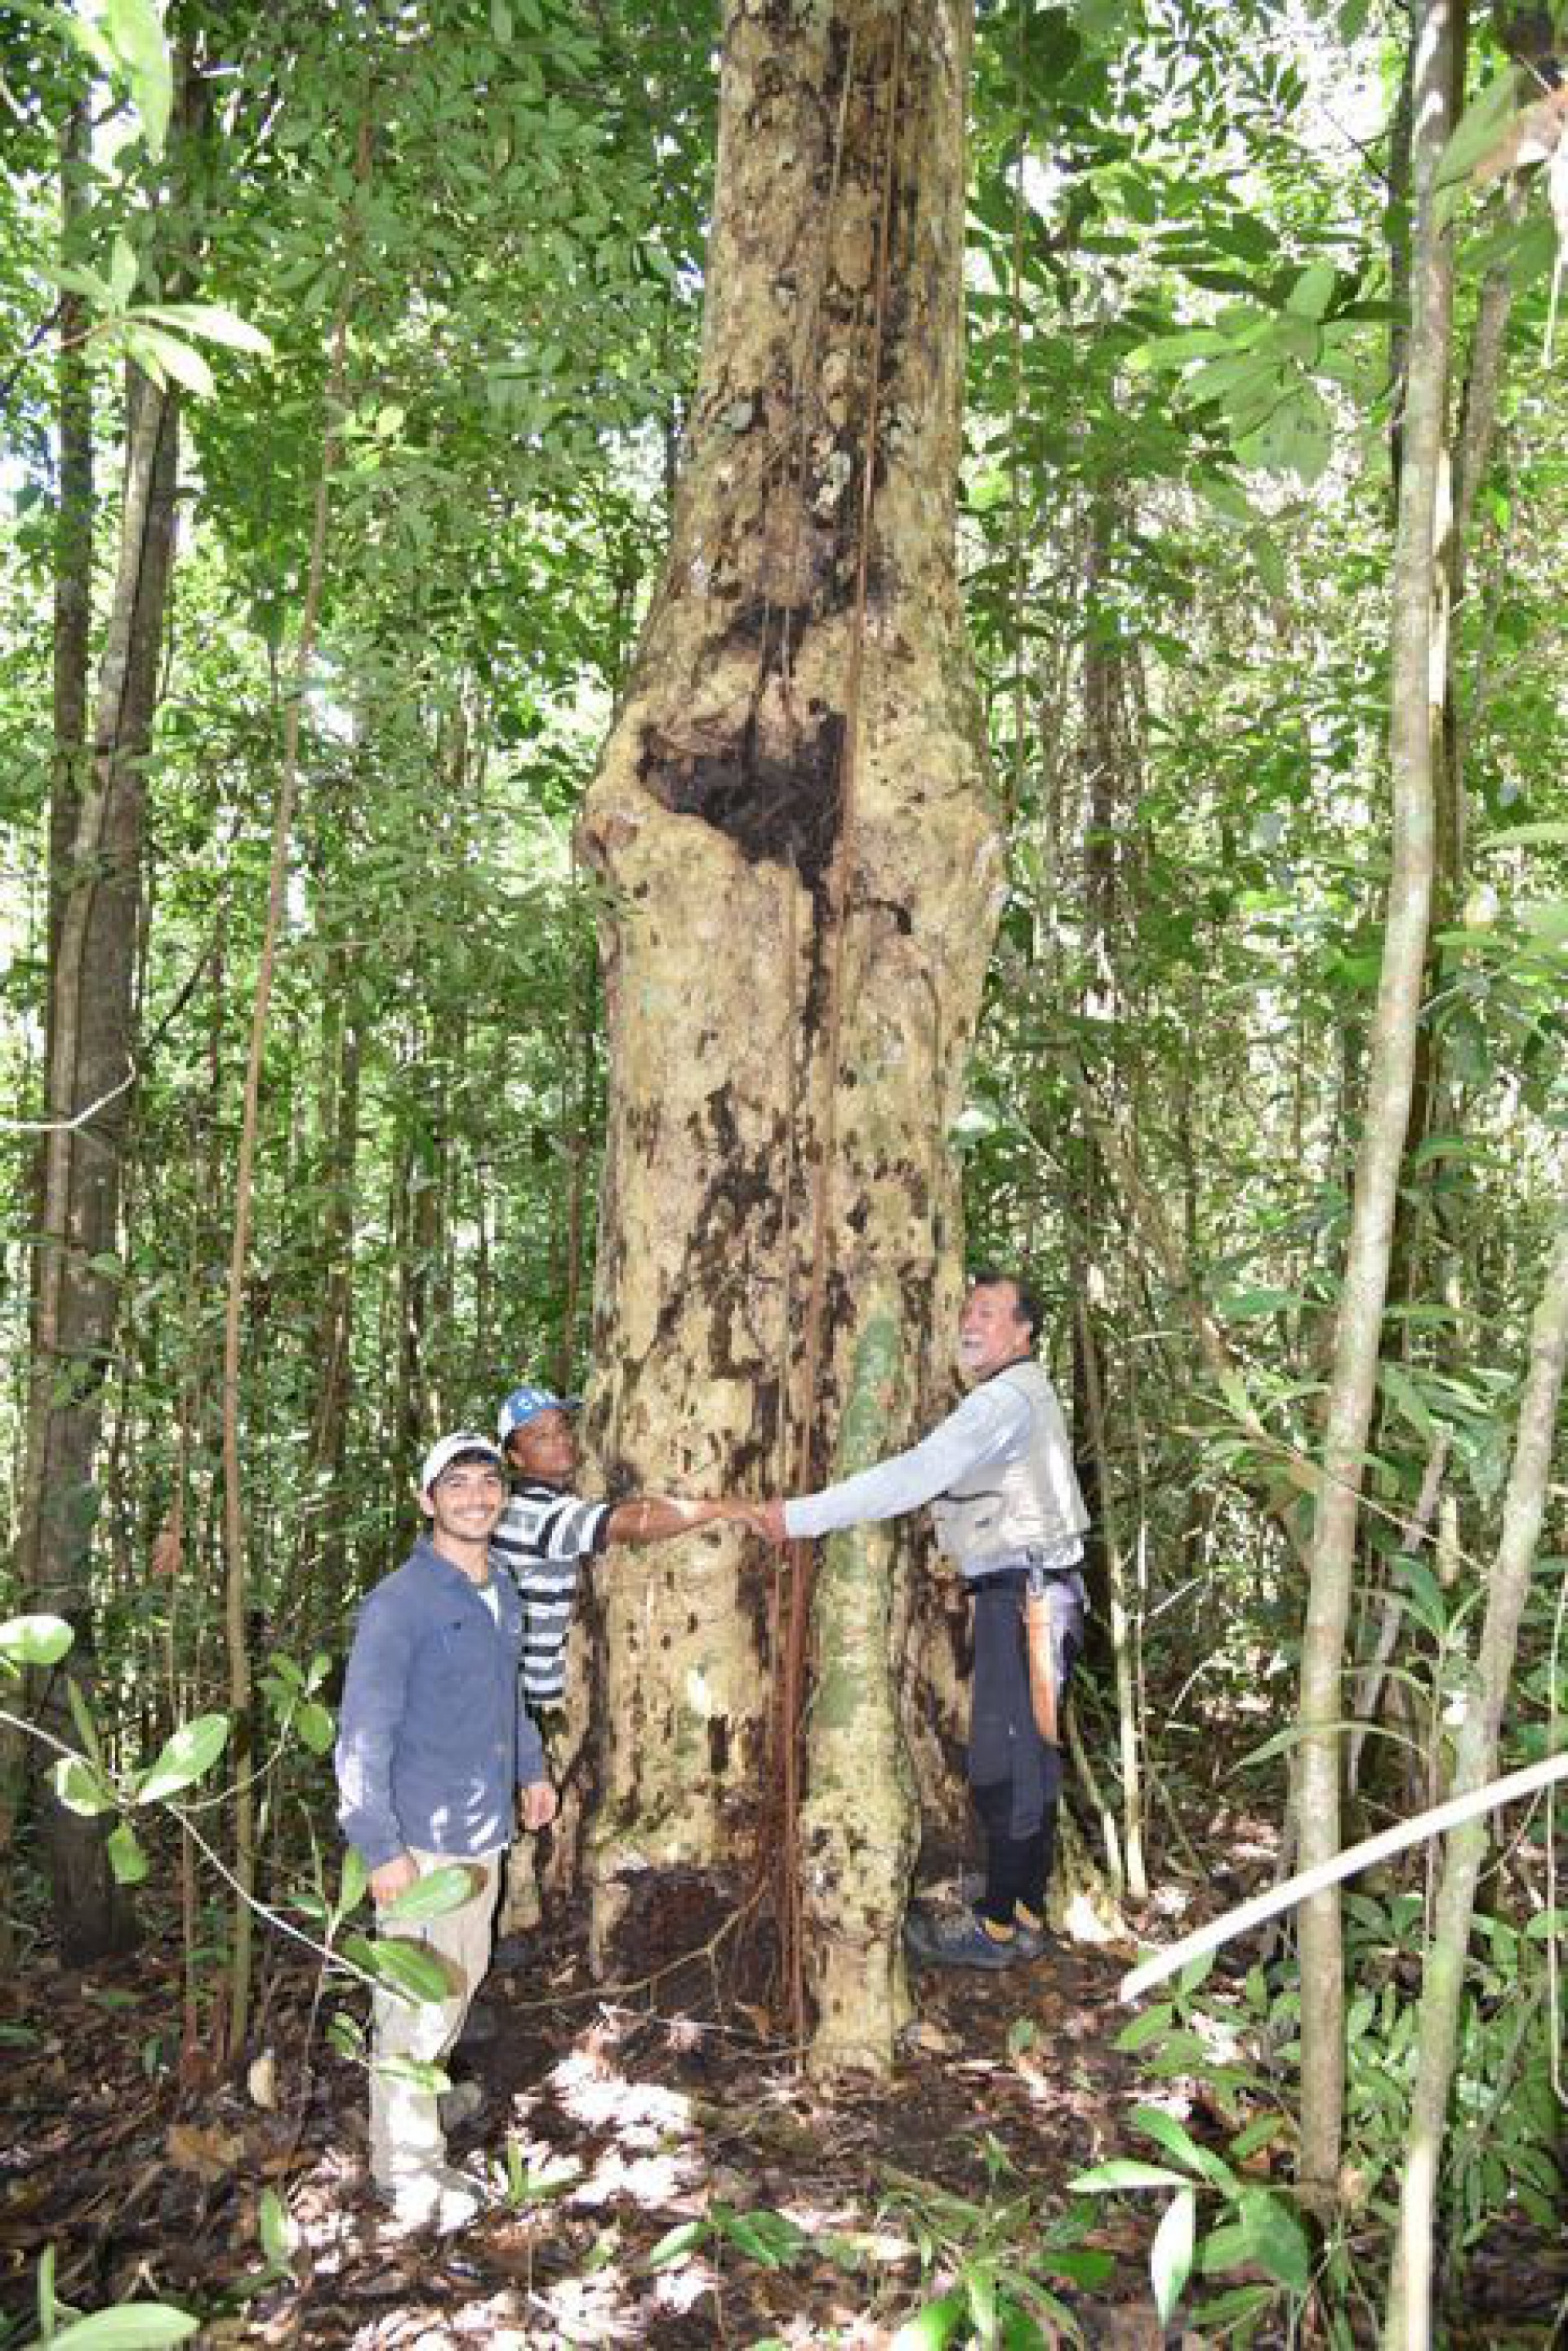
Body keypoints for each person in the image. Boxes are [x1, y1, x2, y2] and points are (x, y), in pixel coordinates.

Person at [745, 1270, 1089, 1970]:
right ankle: (1019, 1898)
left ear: (1023, 1332)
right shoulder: (1013, 1397)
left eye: (989, 1313)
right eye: (968, 1309)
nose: (971, 1321)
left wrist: (799, 1517)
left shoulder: (1002, 1401)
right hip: (1025, 1593)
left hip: (1028, 1600)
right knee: (1022, 1757)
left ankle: (997, 1929)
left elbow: (913, 1475)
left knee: (1010, 1763)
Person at [335, 1431, 555, 2232]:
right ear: (426, 1500)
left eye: (485, 1482)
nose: (474, 1495)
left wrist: (531, 1770)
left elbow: (512, 1696)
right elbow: (361, 1732)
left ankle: (422, 2101)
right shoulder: (402, 1601)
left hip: (483, 1828)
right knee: (415, 2003)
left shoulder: (502, 1589)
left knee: (458, 1981)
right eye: (455, 1483)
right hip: (422, 1839)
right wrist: (379, 1846)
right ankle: (407, 2172)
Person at [491, 1382, 742, 1709]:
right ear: (515, 1457)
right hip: (527, 1710)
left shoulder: (517, 1508)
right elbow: (634, 1522)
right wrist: (721, 1509)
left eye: (562, 1427)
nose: (561, 1440)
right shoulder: (538, 1515)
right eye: (541, 1436)